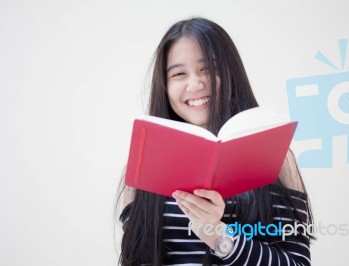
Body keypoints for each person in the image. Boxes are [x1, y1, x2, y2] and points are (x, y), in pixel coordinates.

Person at [117, 17, 314, 266]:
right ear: (164, 86)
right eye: (179, 74)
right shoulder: (142, 167)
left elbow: (298, 263)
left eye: (208, 69)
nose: (195, 83)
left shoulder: (278, 159)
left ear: (231, 73)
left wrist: (218, 235)